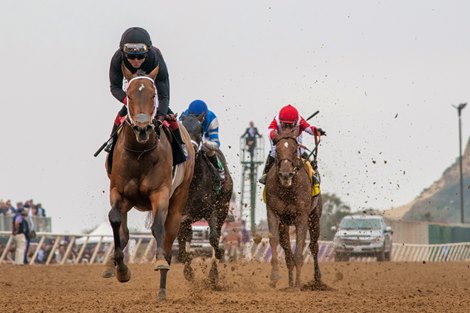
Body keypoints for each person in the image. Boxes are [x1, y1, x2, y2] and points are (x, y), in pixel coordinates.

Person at [105, 27, 187, 164]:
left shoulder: (156, 58)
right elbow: (114, 87)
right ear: (123, 53)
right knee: (120, 116)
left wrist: (161, 116)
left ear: (147, 53)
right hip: (133, 95)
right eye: (131, 57)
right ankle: (111, 142)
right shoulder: (117, 59)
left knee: (170, 117)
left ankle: (181, 147)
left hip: (151, 94)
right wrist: (129, 101)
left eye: (140, 56)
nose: (136, 61)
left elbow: (164, 95)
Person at [258, 104, 326, 185]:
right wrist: (275, 137)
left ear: (295, 122)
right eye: (285, 125)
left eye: (290, 125)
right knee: (273, 152)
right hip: (280, 142)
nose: (287, 127)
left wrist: (317, 131)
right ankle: (265, 174)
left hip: (296, 144)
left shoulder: (299, 120)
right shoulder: (276, 119)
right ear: (280, 121)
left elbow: (309, 128)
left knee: (305, 156)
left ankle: (314, 175)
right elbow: (270, 130)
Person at [181, 99, 225, 181]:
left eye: (198, 117)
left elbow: (216, 144)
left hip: (205, 137)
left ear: (204, 115)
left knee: (209, 150)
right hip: (190, 138)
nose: (196, 119)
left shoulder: (212, 119)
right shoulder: (183, 118)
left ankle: (219, 168)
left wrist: (205, 143)